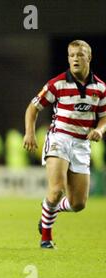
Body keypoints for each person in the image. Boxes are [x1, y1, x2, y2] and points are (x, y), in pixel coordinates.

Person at [23, 40, 106, 249]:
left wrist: (99, 130)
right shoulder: (57, 84)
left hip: (81, 145)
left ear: (89, 57)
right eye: (71, 55)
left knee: (78, 204)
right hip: (59, 138)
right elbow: (33, 108)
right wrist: (29, 133)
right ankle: (46, 239)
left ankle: (48, 210)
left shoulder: (100, 88)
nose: (75, 59)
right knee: (56, 190)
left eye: (79, 55)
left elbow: (104, 117)